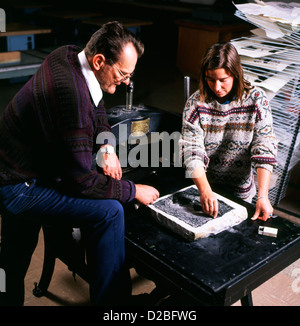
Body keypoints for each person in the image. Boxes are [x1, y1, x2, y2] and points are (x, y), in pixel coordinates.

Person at [0, 21, 159, 306]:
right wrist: (133, 190)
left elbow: (96, 105)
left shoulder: (69, 55)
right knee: (110, 211)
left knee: (14, 257)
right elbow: (83, 182)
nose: (125, 82)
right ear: (99, 61)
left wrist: (107, 145)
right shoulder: (69, 95)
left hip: (12, 165)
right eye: (122, 73)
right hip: (19, 186)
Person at [180, 42, 278, 221]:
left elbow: (264, 146)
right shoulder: (195, 104)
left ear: (236, 74)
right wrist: (205, 190)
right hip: (202, 189)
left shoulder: (257, 100)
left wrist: (263, 196)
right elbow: (191, 151)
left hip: (241, 193)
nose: (216, 87)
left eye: (223, 80)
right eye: (210, 79)